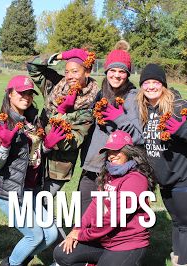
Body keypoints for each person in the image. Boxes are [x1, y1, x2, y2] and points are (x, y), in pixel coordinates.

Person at [136, 63, 187, 266]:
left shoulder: (180, 105)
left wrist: (183, 131)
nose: (151, 86)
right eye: (146, 82)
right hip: (165, 177)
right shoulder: (144, 108)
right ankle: (178, 257)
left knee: (186, 225)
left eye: (155, 82)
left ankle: (183, 262)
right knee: (176, 222)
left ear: (163, 85)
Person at [53, 130, 155, 266]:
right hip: (105, 240)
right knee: (62, 253)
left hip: (126, 244)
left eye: (117, 150)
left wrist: (83, 235)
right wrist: (77, 229)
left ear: (129, 152)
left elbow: (113, 218)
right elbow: (96, 204)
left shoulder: (136, 179)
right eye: (109, 152)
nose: (112, 156)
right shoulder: (109, 174)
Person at [0, 75, 59, 266]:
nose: (26, 97)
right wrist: (4, 145)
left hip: (31, 190)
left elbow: (31, 153)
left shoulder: (31, 119)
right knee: (34, 235)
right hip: (8, 191)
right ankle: (11, 264)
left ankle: (16, 261)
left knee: (51, 234)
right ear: (10, 94)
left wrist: (47, 147)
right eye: (21, 93)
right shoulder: (2, 122)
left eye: (29, 93)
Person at [27, 48, 100, 203]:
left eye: (75, 71)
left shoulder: (92, 103)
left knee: (41, 201)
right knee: (30, 199)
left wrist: (61, 113)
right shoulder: (56, 84)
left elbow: (75, 140)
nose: (69, 76)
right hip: (37, 153)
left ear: (87, 72)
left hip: (59, 165)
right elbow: (32, 66)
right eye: (67, 72)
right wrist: (61, 56)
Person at [79, 40, 144, 215]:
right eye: (112, 70)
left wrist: (119, 119)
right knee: (82, 216)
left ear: (128, 74)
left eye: (122, 71)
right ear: (106, 71)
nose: (116, 75)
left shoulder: (133, 97)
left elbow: (140, 136)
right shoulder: (100, 93)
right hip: (92, 166)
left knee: (106, 220)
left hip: (116, 169)